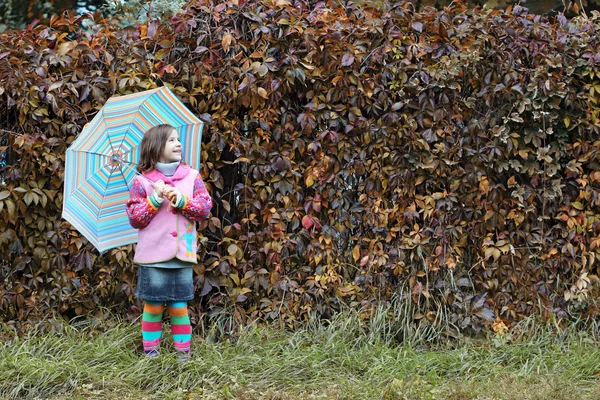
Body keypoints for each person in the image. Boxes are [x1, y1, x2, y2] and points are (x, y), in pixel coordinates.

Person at [126, 124, 212, 360]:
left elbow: (204, 209)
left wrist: (183, 201)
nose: (178, 144)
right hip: (153, 258)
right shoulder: (141, 182)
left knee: (178, 307)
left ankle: (183, 358)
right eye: (171, 140)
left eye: (178, 139)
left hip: (181, 255)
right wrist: (155, 199)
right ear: (156, 148)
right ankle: (151, 356)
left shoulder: (192, 177)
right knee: (153, 307)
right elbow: (136, 218)